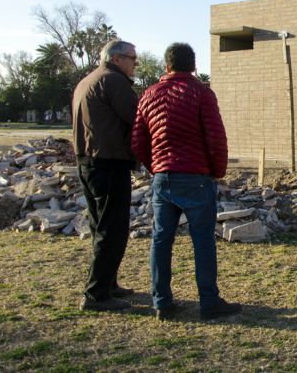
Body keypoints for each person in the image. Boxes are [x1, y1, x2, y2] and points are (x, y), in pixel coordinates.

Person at [131, 42, 240, 321]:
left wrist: (155, 166)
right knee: (202, 240)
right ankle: (209, 301)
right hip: (196, 176)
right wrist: (217, 170)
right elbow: (216, 136)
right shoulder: (201, 93)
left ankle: (162, 302)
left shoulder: (148, 95)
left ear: (166, 66)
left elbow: (138, 140)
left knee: (160, 239)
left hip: (162, 178)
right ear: (193, 66)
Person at [72, 39, 139, 311]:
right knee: (112, 228)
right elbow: (137, 116)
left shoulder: (87, 80)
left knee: (100, 226)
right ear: (116, 59)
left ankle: (107, 283)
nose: (135, 63)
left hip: (88, 162)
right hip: (109, 162)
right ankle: (97, 294)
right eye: (132, 58)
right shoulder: (113, 81)